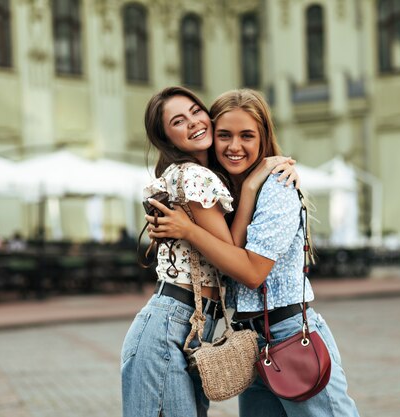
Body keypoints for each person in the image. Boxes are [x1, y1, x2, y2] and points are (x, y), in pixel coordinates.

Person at [147, 89, 360, 417]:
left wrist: (190, 229)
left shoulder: (277, 187)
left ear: (263, 140)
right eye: (224, 135)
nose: (234, 146)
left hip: (290, 335)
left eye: (247, 136)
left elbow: (251, 271)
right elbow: (220, 250)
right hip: (250, 342)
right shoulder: (221, 195)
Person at [120, 86, 298, 417]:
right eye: (178, 121)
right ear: (167, 138)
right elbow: (233, 256)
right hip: (171, 325)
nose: (193, 123)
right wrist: (250, 185)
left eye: (195, 111)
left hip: (187, 327)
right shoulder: (194, 176)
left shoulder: (203, 176)